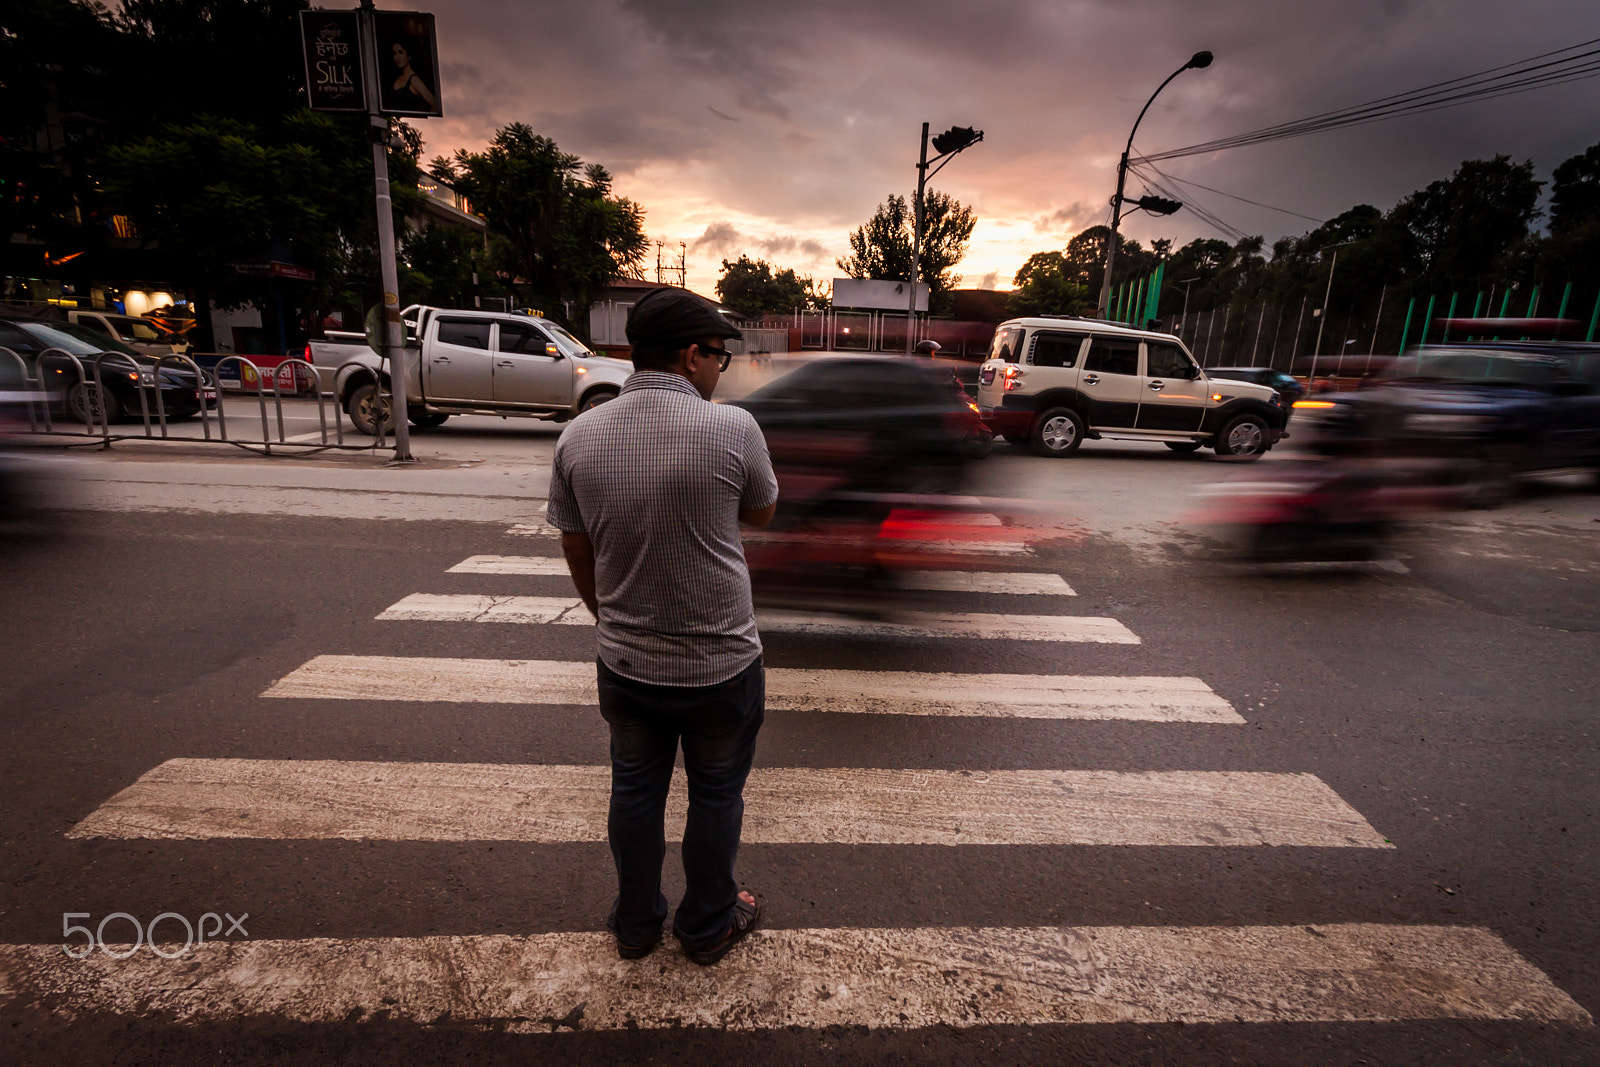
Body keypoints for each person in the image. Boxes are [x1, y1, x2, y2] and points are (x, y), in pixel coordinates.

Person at [546, 287, 779, 966]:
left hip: (627, 664)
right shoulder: (733, 428)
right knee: (715, 795)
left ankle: (637, 924)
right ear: (689, 356)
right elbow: (761, 513)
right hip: (722, 667)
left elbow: (575, 543)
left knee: (636, 791)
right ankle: (708, 924)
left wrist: (609, 616)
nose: (721, 370)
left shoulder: (580, 435)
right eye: (719, 356)